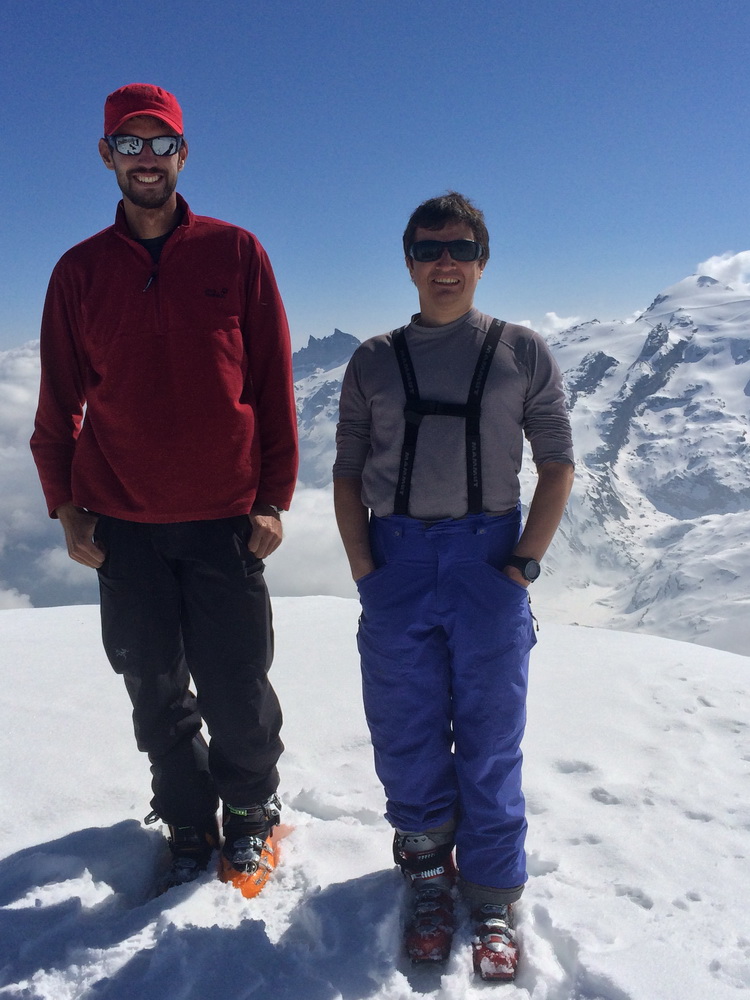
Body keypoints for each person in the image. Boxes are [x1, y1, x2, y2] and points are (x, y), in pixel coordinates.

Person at [30, 83, 298, 896]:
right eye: (129, 143)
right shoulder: (78, 272)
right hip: (123, 520)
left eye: (160, 144)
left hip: (225, 517)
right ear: (106, 155)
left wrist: (273, 499)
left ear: (184, 154)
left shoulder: (236, 253)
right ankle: (186, 817)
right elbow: (57, 403)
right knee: (151, 683)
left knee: (237, 682)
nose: (146, 159)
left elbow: (273, 384)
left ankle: (249, 811)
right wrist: (66, 508)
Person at [333, 192, 574, 980]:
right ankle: (429, 878)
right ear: (408, 261)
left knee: (491, 736)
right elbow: (346, 472)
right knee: (404, 732)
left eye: (461, 248)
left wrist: (522, 565)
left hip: (488, 561)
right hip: (397, 561)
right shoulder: (372, 360)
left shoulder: (522, 351)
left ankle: (494, 896)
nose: (446, 262)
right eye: (429, 248)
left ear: (482, 260)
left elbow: (558, 465)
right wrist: (367, 572)